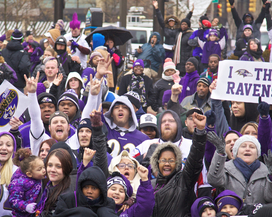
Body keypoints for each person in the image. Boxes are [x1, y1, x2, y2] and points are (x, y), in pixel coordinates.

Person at [150, 112, 207, 216]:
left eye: (171, 160)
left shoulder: (184, 181)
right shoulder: (151, 185)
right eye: (163, 160)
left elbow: (195, 159)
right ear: (157, 163)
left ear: (177, 163)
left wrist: (199, 131)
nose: (167, 164)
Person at [207, 134, 272, 204]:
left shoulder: (266, 172)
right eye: (243, 146)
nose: (247, 149)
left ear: (257, 155)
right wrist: (220, 152)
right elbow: (213, 180)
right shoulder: (225, 169)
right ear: (236, 153)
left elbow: (270, 197)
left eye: (252, 147)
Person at [35, 148, 74, 216]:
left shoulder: (67, 195)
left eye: (58, 166)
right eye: (50, 165)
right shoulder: (46, 185)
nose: (52, 170)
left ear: (67, 168)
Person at [8, 148, 46, 216]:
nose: (44, 171)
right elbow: (13, 200)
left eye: (44, 167)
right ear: (29, 174)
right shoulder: (18, 183)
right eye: (39, 169)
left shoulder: (41, 179)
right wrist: (26, 206)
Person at [0, 132, 18, 216]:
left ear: (13, 149)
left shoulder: (18, 172)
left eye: (8, 145)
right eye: (0, 144)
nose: (3, 148)